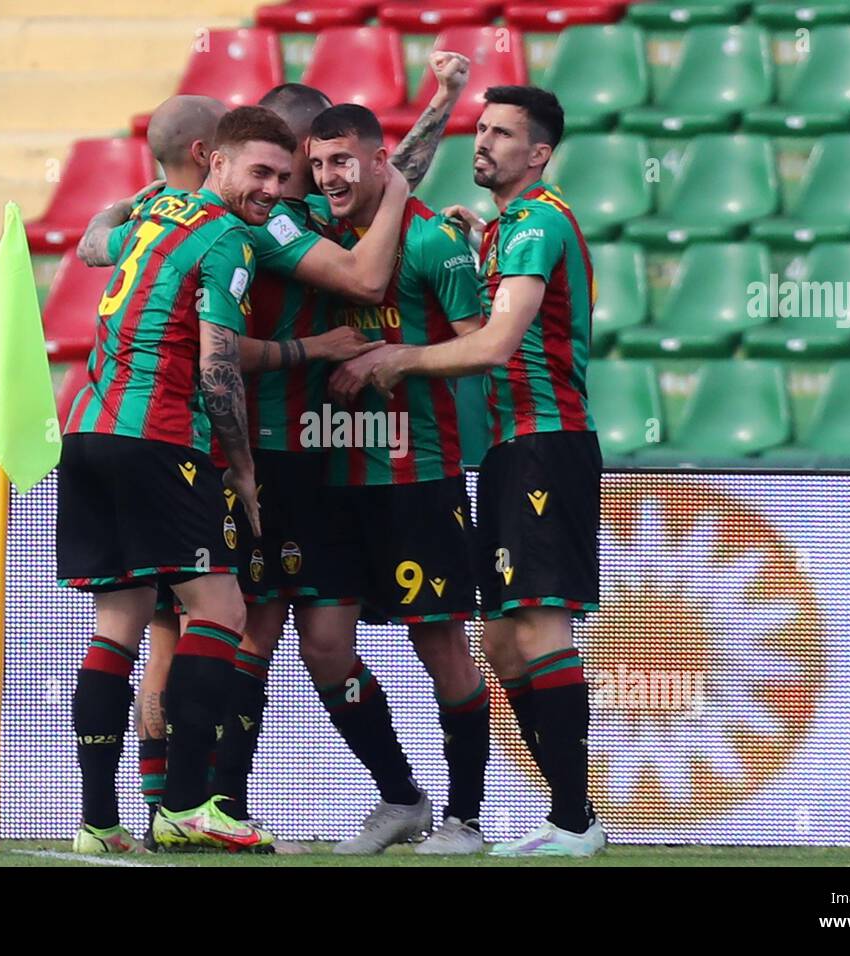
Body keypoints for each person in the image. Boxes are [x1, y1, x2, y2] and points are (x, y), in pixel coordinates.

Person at [338, 85, 608, 857]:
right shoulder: (506, 229)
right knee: (499, 644)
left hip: (543, 443)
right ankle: (567, 813)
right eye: (481, 129)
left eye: (502, 133)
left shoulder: (538, 222)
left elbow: (494, 345)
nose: (482, 143)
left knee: (539, 624)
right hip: (506, 450)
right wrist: (476, 234)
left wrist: (402, 358)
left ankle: (574, 820)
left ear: (540, 153)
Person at [57, 105, 298, 853]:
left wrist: (122, 200)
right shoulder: (227, 239)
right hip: (159, 441)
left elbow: (96, 242)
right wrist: (245, 469)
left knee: (117, 625)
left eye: (282, 178)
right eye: (259, 171)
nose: (271, 189)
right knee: (220, 610)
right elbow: (219, 363)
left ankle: (98, 823)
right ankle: (189, 802)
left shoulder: (156, 211)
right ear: (215, 162)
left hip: (88, 432)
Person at [309, 103, 492, 855]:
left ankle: (466, 818)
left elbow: (483, 344)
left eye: (342, 161)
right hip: (329, 475)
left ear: (382, 161)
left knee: (438, 644)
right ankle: (400, 797)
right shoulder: (311, 239)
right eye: (318, 165)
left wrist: (397, 359)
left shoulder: (433, 240)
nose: (329, 178)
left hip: (417, 475)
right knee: (323, 644)